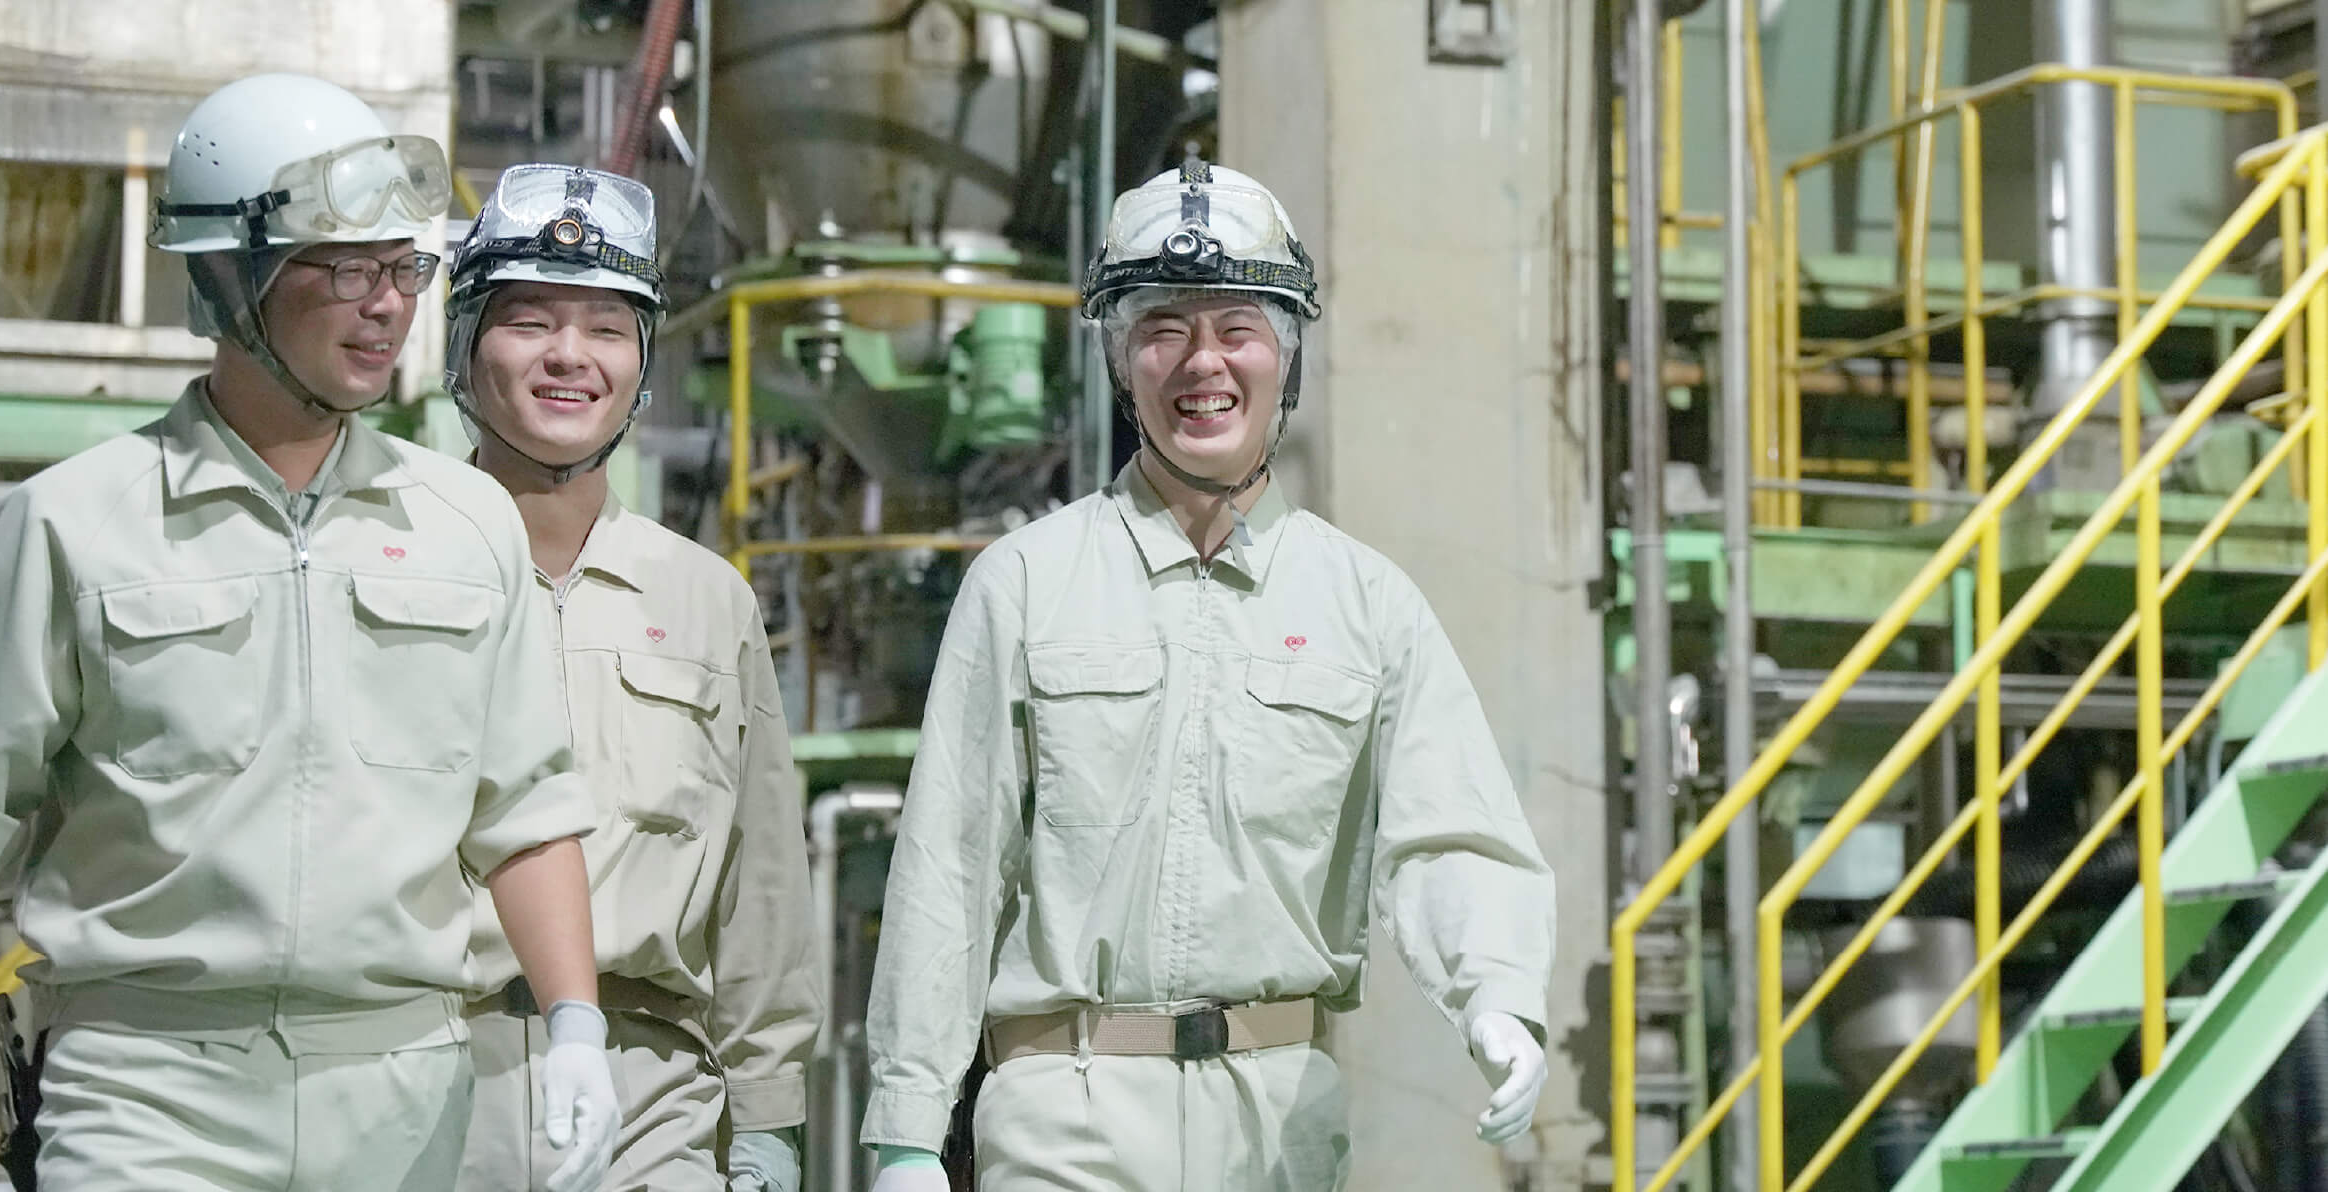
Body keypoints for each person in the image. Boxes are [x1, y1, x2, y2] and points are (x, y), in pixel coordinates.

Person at [0, 73, 621, 1192]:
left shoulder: (466, 524)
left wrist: (576, 1025)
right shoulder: (76, 524)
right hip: (143, 1096)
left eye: (404, 268)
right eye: (347, 268)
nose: (388, 304)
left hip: (404, 1097)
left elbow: (526, 811)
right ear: (231, 275)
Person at [857, 156, 1555, 1190]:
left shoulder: (1368, 605)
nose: (1203, 362)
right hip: (1063, 1111)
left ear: (1288, 356)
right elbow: (950, 866)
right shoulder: (1024, 584)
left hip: (1275, 1118)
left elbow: (1453, 833)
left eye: (1238, 328)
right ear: (1120, 359)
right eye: (1163, 329)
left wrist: (1496, 995)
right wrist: (910, 1130)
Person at [442, 162, 820, 1192]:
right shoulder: (400, 571)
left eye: (607, 327)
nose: (569, 355)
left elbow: (760, 884)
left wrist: (770, 1124)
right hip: (428, 1086)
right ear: (466, 344)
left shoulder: (705, 600)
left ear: (643, 362)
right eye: (529, 321)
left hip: (653, 1102)